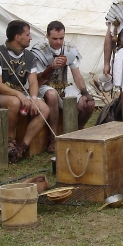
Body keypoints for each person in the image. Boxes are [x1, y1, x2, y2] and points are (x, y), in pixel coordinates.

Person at [0, 20, 51, 163]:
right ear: (17, 37)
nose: (30, 38)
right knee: (14, 102)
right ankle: (10, 141)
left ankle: (22, 146)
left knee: (44, 108)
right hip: (1, 95)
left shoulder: (29, 57)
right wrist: (18, 94)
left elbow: (33, 81)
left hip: (21, 94)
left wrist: (33, 98)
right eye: (27, 34)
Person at [32, 21, 96, 151]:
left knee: (87, 104)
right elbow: (37, 81)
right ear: (47, 36)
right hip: (43, 87)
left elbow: (77, 75)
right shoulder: (39, 50)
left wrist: (85, 93)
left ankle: (77, 131)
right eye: (54, 38)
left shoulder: (69, 49)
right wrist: (51, 67)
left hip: (63, 85)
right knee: (52, 94)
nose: (58, 42)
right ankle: (53, 138)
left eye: (61, 38)